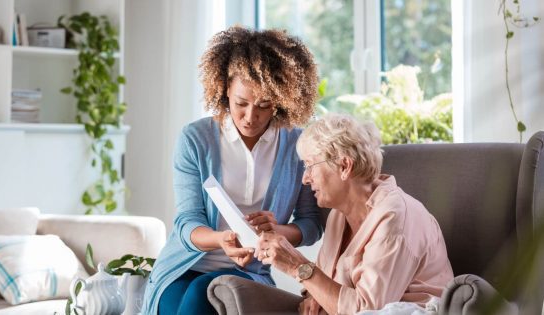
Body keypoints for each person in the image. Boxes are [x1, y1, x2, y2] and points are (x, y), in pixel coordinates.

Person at [141, 26, 324, 315]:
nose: (251, 116)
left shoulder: (297, 146)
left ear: (280, 100)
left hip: (248, 271)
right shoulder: (195, 139)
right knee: (181, 300)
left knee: (204, 294)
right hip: (184, 266)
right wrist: (220, 240)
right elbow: (187, 221)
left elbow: (311, 224)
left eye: (264, 105)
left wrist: (277, 231)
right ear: (226, 89)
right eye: (241, 103)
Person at [256, 113, 454, 314]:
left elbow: (368, 311)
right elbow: (323, 280)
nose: (305, 179)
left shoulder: (396, 217)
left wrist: (297, 266)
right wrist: (313, 296)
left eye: (310, 166)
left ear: (344, 166)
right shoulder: (338, 215)